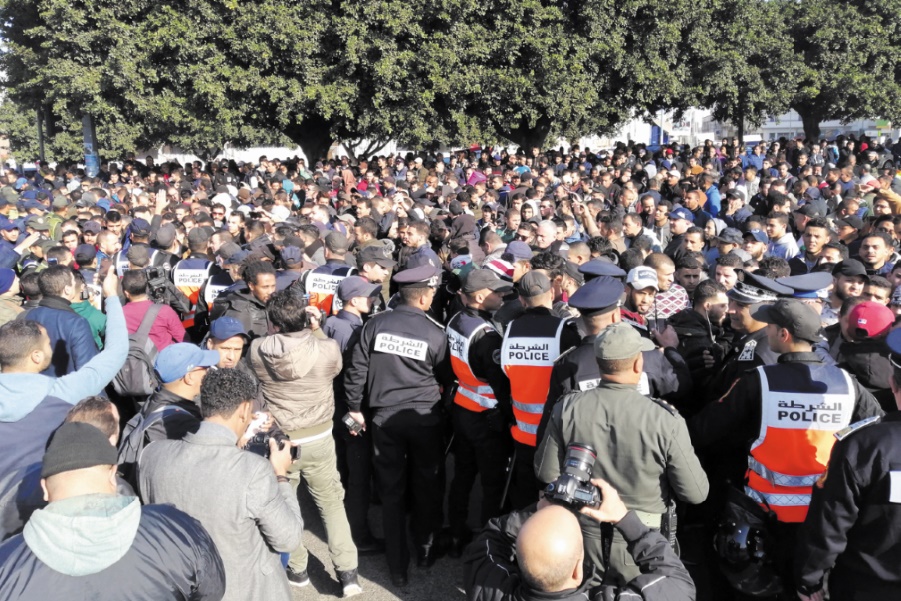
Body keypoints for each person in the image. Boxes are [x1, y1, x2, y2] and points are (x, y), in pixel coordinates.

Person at [690, 299, 883, 594]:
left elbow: (704, 430)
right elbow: (876, 433)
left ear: (784, 334)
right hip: (824, 520)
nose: (765, 332)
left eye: (770, 326)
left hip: (764, 520)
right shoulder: (847, 383)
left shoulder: (759, 381)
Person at [536, 322, 708, 586]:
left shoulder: (567, 407)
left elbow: (546, 473)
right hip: (642, 541)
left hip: (581, 533)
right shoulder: (665, 419)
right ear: (639, 364)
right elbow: (696, 492)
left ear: (598, 362)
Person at [0, 422, 226, 600]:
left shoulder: (7, 561)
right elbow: (211, 590)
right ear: (112, 476)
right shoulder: (176, 529)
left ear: (45, 489)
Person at [139, 368, 306, 601]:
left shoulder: (152, 456)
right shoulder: (253, 470)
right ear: (246, 409)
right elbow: (288, 538)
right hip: (246, 591)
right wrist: (280, 474)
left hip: (183, 588)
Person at [343, 262, 454, 586]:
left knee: (391, 493)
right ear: (422, 299)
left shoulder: (374, 326)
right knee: (427, 485)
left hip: (383, 419)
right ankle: (425, 548)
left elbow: (356, 371)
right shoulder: (435, 332)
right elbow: (447, 379)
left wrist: (354, 408)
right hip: (424, 421)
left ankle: (397, 566)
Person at [247, 289, 359, 592]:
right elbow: (333, 366)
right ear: (304, 317)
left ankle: (297, 568)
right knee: (332, 503)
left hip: (281, 440)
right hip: (320, 436)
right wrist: (316, 327)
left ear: (274, 322)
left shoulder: (257, 349)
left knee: (286, 502)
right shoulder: (327, 348)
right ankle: (348, 572)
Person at [794, 328, 901, 601]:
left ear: (893, 383)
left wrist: (810, 580)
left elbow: (830, 523)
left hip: (866, 587)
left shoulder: (863, 445)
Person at [463, 478, 695, 601]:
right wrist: (622, 517)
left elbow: (491, 537)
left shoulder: (489, 588)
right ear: (577, 570)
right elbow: (679, 584)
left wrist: (539, 509)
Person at [0, 267, 125, 489]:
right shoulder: (61, 392)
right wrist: (112, 296)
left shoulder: (24, 315)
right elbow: (114, 351)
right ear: (36, 356)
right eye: (48, 343)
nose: (51, 344)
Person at [446, 269, 514, 556]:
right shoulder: (487, 338)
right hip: (486, 418)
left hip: (463, 409)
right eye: (497, 292)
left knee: (462, 477)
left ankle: (455, 533)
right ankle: (487, 547)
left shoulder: (456, 320)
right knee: (491, 483)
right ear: (479, 296)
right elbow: (500, 384)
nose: (502, 296)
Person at [501, 271, 580, 509]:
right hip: (555, 435)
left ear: (522, 300)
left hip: (522, 434)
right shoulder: (564, 331)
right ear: (552, 294)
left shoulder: (509, 330)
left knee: (524, 500)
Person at [324, 276, 384, 554]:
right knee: (359, 471)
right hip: (350, 409)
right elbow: (354, 376)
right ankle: (358, 534)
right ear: (353, 300)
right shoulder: (354, 331)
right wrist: (357, 410)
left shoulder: (330, 322)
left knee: (344, 467)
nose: (372, 300)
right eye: (367, 296)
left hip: (332, 407)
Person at [703, 271, 791, 403]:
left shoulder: (761, 352)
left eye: (741, 305)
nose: (730, 310)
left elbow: (736, 404)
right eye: (732, 301)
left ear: (764, 310)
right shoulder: (748, 336)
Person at [23, 265, 98, 377]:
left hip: (36, 387)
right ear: (67, 290)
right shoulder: (77, 322)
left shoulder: (27, 315)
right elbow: (86, 368)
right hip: (66, 389)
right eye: (73, 283)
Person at [121, 269, 186, 352]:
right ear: (146, 288)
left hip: (133, 361)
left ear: (126, 293)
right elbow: (183, 339)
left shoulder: (119, 314)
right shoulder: (164, 311)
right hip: (163, 360)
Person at [210, 259, 276, 339]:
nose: (270, 291)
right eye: (265, 287)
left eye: (273, 286)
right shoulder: (239, 311)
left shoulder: (272, 303)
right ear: (251, 286)